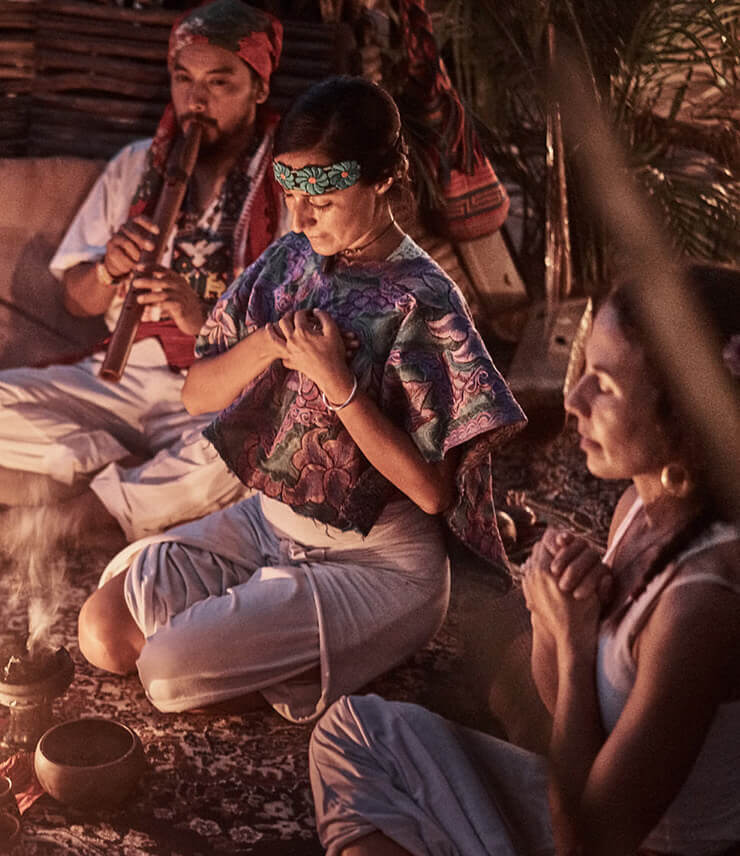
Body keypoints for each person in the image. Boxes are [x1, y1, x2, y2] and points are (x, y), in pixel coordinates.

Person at [307, 263, 740, 856]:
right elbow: (556, 717)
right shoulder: (641, 505)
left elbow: (587, 851)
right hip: (584, 838)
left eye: (605, 385)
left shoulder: (705, 602)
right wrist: (550, 621)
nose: (573, 401)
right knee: (353, 735)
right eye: (584, 372)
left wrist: (573, 646)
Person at [77, 76, 524, 723]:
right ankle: (267, 633)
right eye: (290, 193)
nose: (300, 216)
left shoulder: (424, 300)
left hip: (375, 561)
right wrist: (268, 344)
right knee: (103, 628)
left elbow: (433, 493)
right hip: (269, 522)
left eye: (323, 196)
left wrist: (337, 383)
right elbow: (198, 389)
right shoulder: (289, 260)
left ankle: (290, 637)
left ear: (382, 180)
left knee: (165, 672)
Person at [0, 0, 287, 551]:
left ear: (259, 88)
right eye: (184, 79)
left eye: (221, 83)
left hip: (218, 385)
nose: (197, 99)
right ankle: (133, 480)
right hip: (119, 378)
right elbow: (76, 300)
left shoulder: (289, 180)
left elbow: (292, 330)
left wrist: (202, 320)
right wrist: (108, 267)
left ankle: (72, 522)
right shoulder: (136, 165)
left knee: (263, 443)